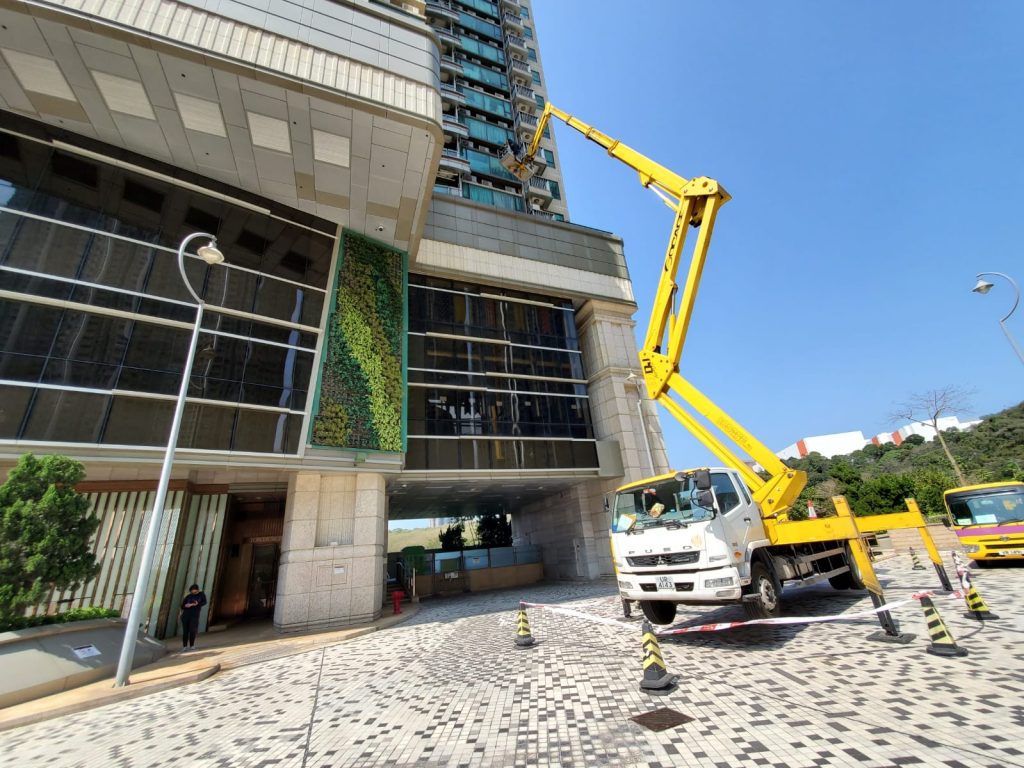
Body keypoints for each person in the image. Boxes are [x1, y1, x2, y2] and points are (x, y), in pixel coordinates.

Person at [179, 583, 207, 651]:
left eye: (194, 591)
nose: (193, 592)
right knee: (185, 631)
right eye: (192, 591)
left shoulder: (201, 595)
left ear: (197, 590)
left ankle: (192, 645)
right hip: (185, 615)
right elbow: (182, 606)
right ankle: (184, 646)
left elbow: (204, 602)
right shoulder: (188, 596)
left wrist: (197, 604)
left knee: (192, 630)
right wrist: (187, 605)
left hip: (194, 615)